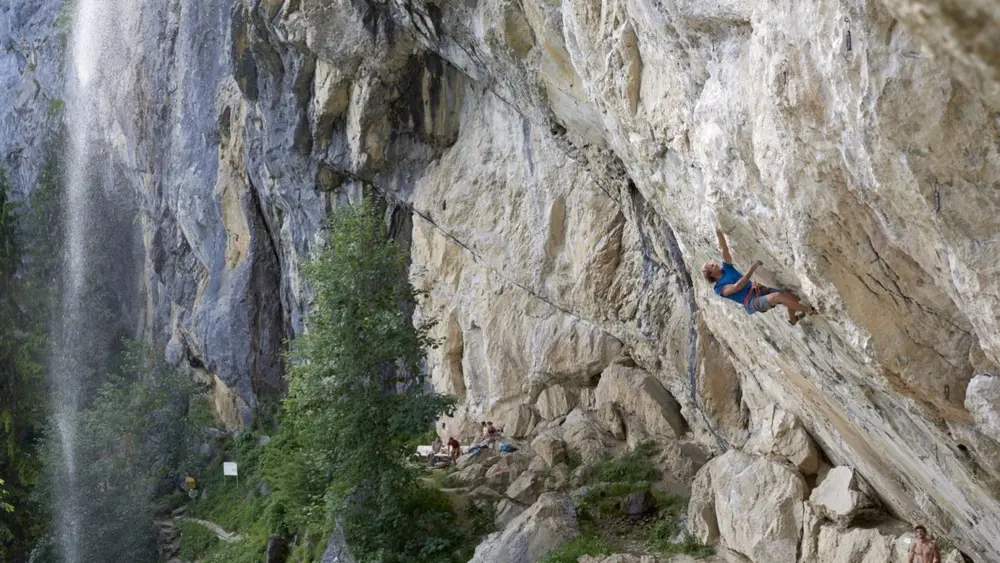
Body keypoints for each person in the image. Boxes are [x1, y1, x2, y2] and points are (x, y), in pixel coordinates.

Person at [701, 228, 816, 325]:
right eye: (710, 266)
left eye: (711, 263)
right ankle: (809, 310)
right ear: (710, 274)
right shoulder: (719, 288)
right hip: (751, 302)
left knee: (792, 297)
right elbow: (737, 287)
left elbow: (724, 249)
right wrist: (752, 268)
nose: (713, 263)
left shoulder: (726, 268)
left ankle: (793, 319)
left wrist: (718, 232)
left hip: (758, 290)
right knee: (778, 296)